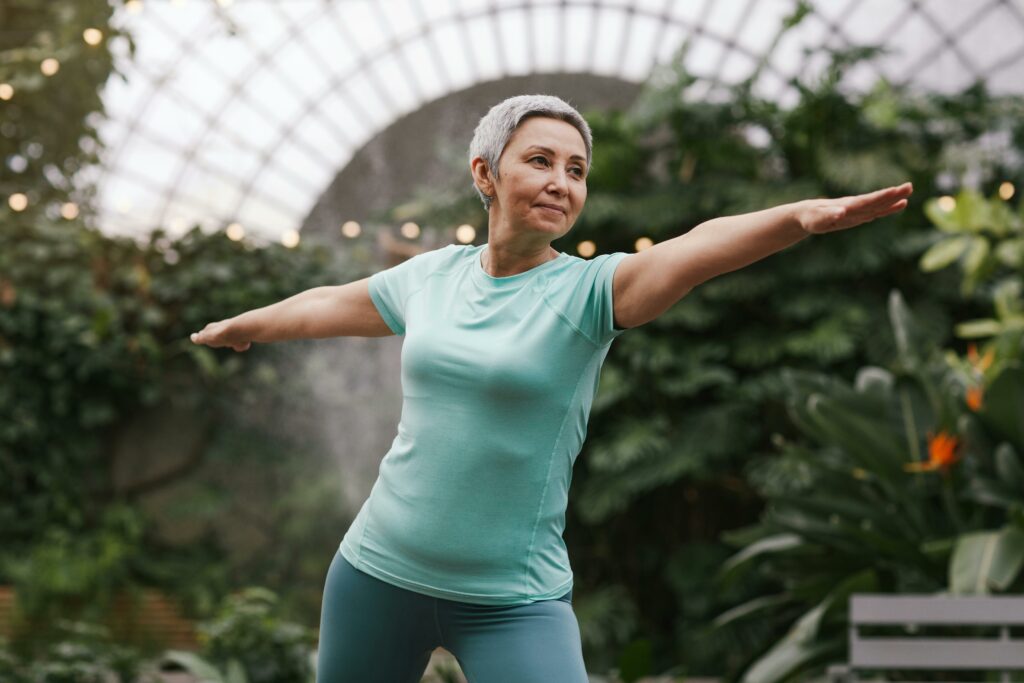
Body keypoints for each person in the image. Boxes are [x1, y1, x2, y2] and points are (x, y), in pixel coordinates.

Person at [190, 94, 913, 682]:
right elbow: (325, 305)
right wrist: (243, 323)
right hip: (376, 573)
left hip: (512, 602)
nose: (561, 182)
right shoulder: (431, 277)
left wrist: (797, 217)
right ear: (486, 173)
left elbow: (696, 250)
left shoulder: (593, 291)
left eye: (576, 169)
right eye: (540, 161)